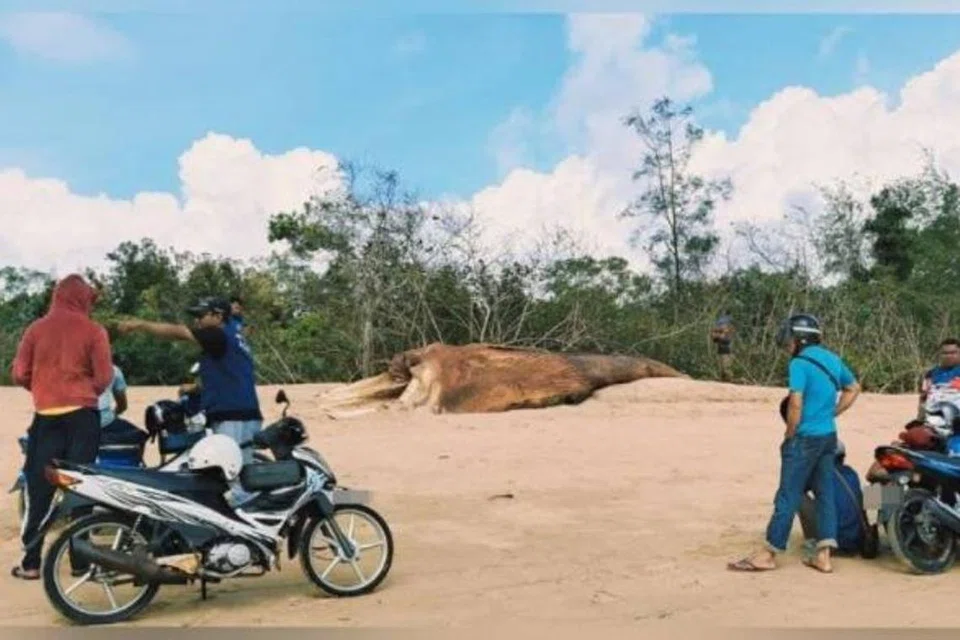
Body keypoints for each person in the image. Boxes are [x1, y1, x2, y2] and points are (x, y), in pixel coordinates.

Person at [728, 313, 860, 574]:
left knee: (788, 493)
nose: (787, 344)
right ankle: (823, 556)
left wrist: (790, 432)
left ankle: (769, 552)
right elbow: (854, 387)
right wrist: (833, 413)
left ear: (799, 339)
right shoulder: (833, 359)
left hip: (804, 438)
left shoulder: (799, 364)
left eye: (789, 339)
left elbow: (795, 402)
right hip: (828, 437)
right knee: (825, 494)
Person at [10, 274, 114, 580]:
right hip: (83, 417)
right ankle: (80, 561)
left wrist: (43, 389)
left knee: (38, 487)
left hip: (47, 417)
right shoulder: (94, 330)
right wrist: (84, 392)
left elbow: (19, 374)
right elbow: (104, 377)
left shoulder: (35, 329)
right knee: (79, 486)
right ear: (83, 299)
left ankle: (31, 563)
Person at [115, 297, 262, 492]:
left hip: (232, 417)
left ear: (218, 316)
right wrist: (197, 388)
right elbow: (230, 375)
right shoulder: (234, 336)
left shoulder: (217, 335)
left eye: (201, 316)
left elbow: (179, 332)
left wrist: (141, 325)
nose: (197, 322)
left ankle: (238, 518)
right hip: (243, 413)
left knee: (231, 478)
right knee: (240, 474)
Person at [798, 441, 867, 556]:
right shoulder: (851, 472)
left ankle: (814, 540)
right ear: (843, 457)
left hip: (834, 541)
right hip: (855, 542)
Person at [916, 338, 960, 420]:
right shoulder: (930, 374)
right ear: (940, 354)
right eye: (945, 353)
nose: (949, 356)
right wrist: (920, 419)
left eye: (953, 353)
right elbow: (924, 398)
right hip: (935, 419)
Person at [710, 312, 735, 382]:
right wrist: (716, 334)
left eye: (722, 324)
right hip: (720, 352)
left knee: (726, 369)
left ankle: (730, 381)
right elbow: (715, 340)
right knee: (721, 370)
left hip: (727, 353)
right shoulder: (720, 332)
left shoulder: (729, 332)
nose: (721, 326)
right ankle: (723, 382)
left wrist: (720, 335)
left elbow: (726, 340)